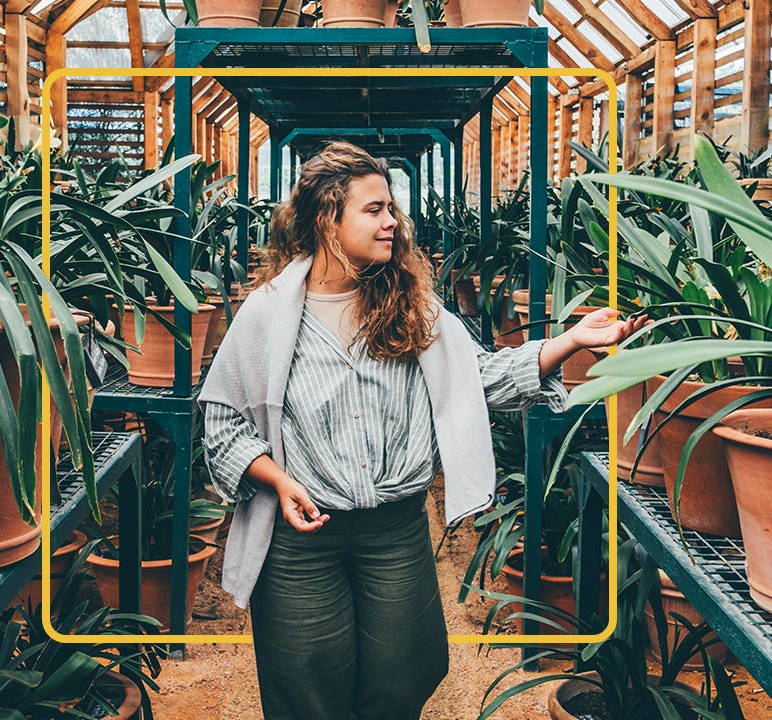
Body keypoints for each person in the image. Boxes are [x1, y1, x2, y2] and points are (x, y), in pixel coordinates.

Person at [197, 141, 645, 720]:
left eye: (392, 209)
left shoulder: (415, 305)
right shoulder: (266, 313)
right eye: (374, 209)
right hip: (301, 541)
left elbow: (477, 379)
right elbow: (223, 421)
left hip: (395, 531)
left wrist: (571, 341)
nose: (392, 222)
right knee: (305, 682)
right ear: (327, 220)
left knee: (406, 667)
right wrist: (277, 480)